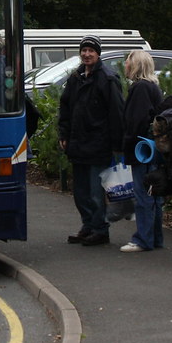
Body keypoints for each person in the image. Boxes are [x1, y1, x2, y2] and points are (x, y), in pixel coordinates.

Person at [58, 34, 125, 246]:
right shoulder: (75, 78)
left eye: (91, 51)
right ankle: (87, 226)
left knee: (96, 192)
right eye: (84, 50)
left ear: (98, 53)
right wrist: (64, 134)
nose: (86, 54)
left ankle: (100, 229)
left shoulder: (107, 79)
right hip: (78, 144)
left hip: (98, 144)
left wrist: (117, 144)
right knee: (80, 192)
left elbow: (116, 113)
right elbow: (65, 108)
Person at [119, 49, 164, 252]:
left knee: (143, 193)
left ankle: (143, 239)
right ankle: (155, 237)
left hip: (141, 149)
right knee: (154, 194)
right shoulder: (153, 87)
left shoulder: (139, 89)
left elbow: (136, 122)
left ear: (135, 65)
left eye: (128, 61)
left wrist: (125, 144)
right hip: (153, 148)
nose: (125, 65)